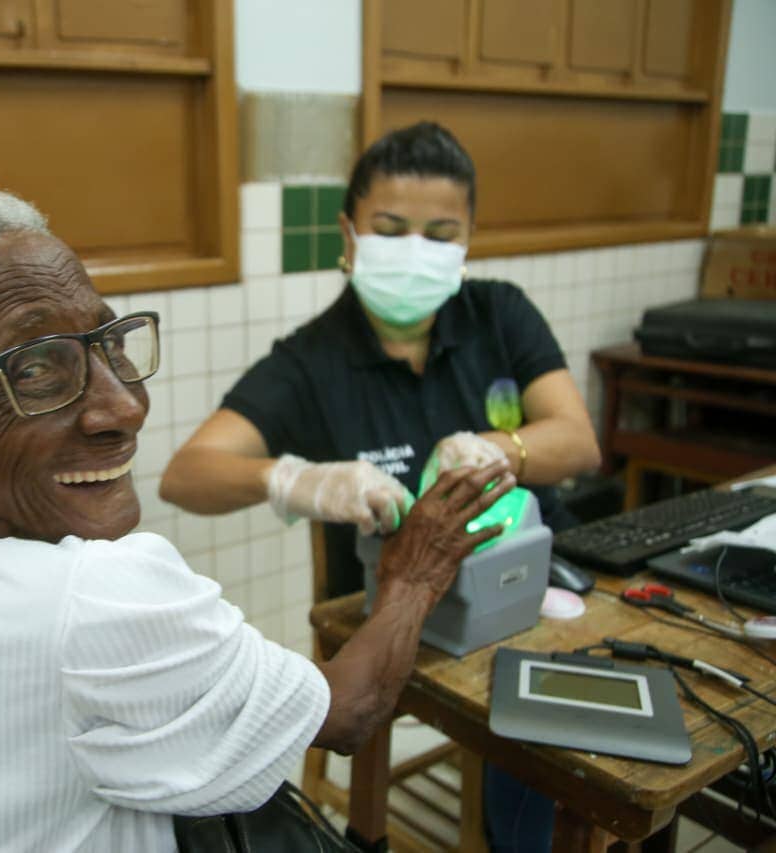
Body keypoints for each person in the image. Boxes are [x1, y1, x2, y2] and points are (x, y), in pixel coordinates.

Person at [0, 180, 515, 852]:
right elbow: (350, 712)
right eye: (36, 367)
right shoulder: (99, 592)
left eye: (109, 343)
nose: (124, 407)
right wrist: (415, 571)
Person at [158, 121, 602, 852]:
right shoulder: (311, 361)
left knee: (565, 735)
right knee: (532, 735)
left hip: (524, 587)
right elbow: (187, 475)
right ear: (350, 231)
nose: (415, 252)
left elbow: (578, 439)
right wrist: (297, 479)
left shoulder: (499, 313)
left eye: (440, 233)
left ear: (468, 237)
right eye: (391, 230)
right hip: (400, 615)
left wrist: (502, 448)